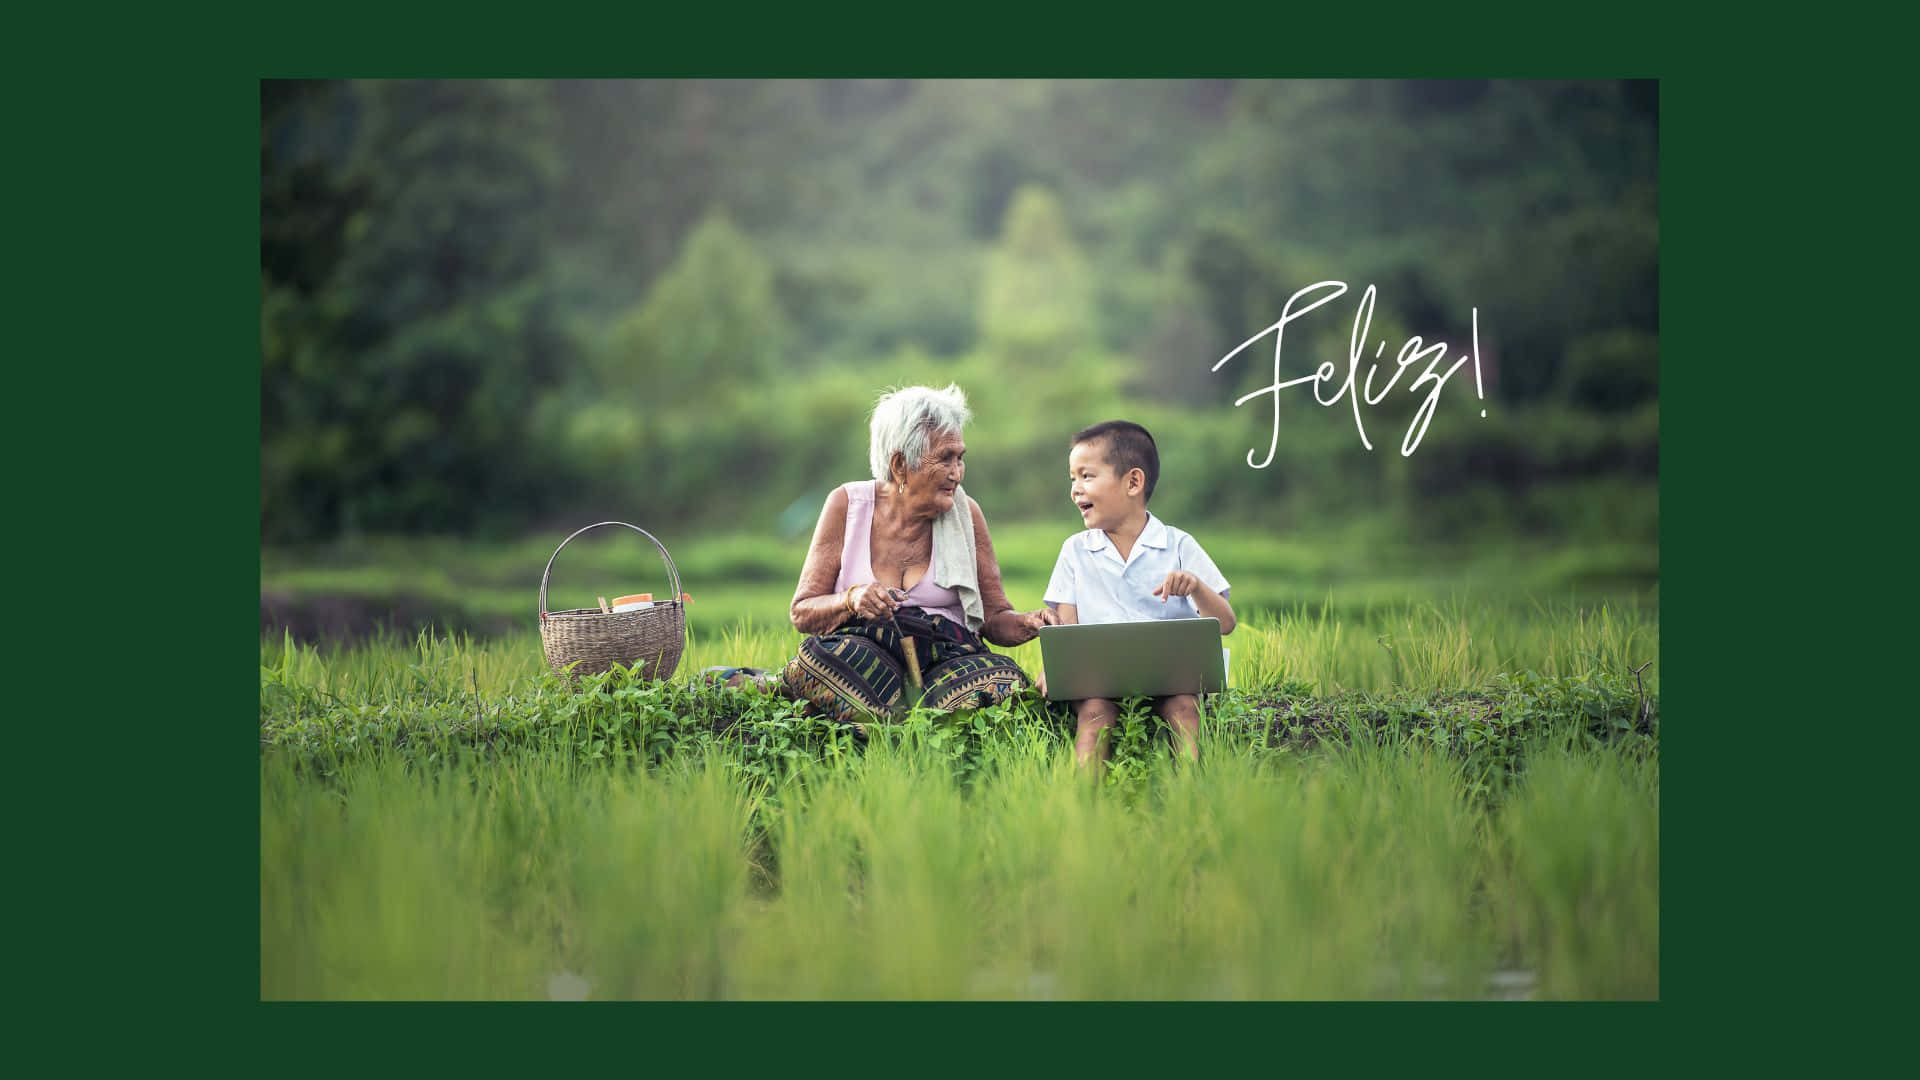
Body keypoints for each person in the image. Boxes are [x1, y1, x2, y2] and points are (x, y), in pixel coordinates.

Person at [769, 384, 1056, 727]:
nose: (957, 472)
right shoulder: (847, 505)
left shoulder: (968, 515)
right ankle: (915, 721)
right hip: (866, 653)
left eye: (960, 458)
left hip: (945, 655)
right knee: (823, 660)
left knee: (1002, 681)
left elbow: (994, 618)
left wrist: (1029, 623)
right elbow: (803, 612)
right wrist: (852, 598)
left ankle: (890, 720)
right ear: (900, 463)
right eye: (946, 458)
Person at [1043, 420, 1235, 770]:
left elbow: (1225, 622)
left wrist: (1196, 587)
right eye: (1072, 478)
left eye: (1086, 476)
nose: (1075, 489)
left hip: (1173, 676)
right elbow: (1066, 626)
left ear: (1133, 482)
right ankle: (1082, 804)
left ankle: (1192, 796)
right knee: (1094, 714)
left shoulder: (1178, 545)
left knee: (1184, 708)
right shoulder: (1075, 551)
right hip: (1098, 679)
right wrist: (1055, 668)